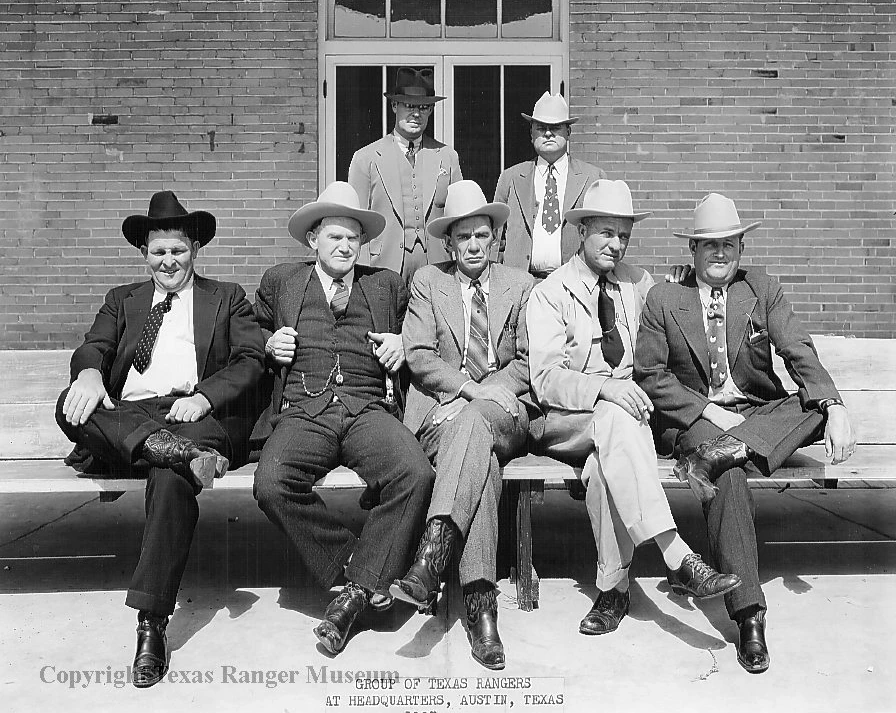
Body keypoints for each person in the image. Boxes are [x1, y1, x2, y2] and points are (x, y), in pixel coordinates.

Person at [635, 192, 857, 674]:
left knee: (811, 408)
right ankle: (749, 616)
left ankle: (726, 452)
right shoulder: (664, 297)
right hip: (693, 422)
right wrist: (711, 417)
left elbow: (797, 349)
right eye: (710, 245)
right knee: (730, 476)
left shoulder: (762, 289)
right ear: (692, 250)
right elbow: (650, 374)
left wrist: (834, 404)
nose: (721, 254)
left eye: (730, 244)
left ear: (742, 248)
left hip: (754, 414)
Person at [55, 191, 266, 688]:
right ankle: (161, 448)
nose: (168, 261)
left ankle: (151, 623)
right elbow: (95, 346)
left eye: (177, 250)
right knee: (69, 402)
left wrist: (207, 398)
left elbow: (251, 359)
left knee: (171, 481)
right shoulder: (122, 299)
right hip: (131, 415)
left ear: (195, 249)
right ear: (143, 254)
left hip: (191, 415)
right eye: (158, 252)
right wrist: (88, 375)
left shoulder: (226, 296)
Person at [526, 179, 741, 639]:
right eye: (605, 232)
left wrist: (685, 283)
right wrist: (605, 391)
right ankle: (676, 553)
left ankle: (614, 589)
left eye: (623, 234)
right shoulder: (549, 293)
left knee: (604, 471)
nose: (615, 243)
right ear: (581, 231)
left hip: (625, 425)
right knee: (617, 418)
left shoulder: (637, 282)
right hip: (566, 418)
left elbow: (670, 311)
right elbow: (545, 380)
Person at [252, 181, 435, 655]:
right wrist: (270, 345)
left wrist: (403, 345)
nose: (345, 245)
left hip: (366, 408)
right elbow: (249, 336)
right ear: (312, 239)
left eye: (353, 236)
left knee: (414, 473)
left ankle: (352, 593)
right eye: (334, 236)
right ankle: (355, 565)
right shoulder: (281, 282)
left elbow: (421, 334)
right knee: (270, 483)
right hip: (305, 411)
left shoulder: (387, 285)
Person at [390, 180, 537, 670]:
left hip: (503, 414)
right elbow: (419, 356)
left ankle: (432, 558)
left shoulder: (521, 285)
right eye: (462, 237)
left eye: (481, 235)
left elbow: (526, 361)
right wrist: (471, 391)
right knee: (483, 464)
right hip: (441, 414)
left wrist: (484, 395)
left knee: (476, 426)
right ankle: (480, 602)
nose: (473, 245)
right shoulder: (430, 281)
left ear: (494, 238)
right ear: (449, 243)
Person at [348, 67, 463, 281]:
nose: (416, 114)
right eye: (409, 106)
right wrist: (360, 275)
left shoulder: (447, 156)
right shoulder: (367, 158)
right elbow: (356, 222)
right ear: (394, 106)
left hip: (438, 270)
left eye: (424, 107)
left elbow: (459, 217)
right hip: (382, 269)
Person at [494, 92, 606, 279]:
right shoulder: (511, 177)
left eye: (555, 127)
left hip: (575, 284)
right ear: (531, 133)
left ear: (568, 132)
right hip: (520, 285)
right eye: (540, 128)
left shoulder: (593, 178)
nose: (547, 133)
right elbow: (495, 236)